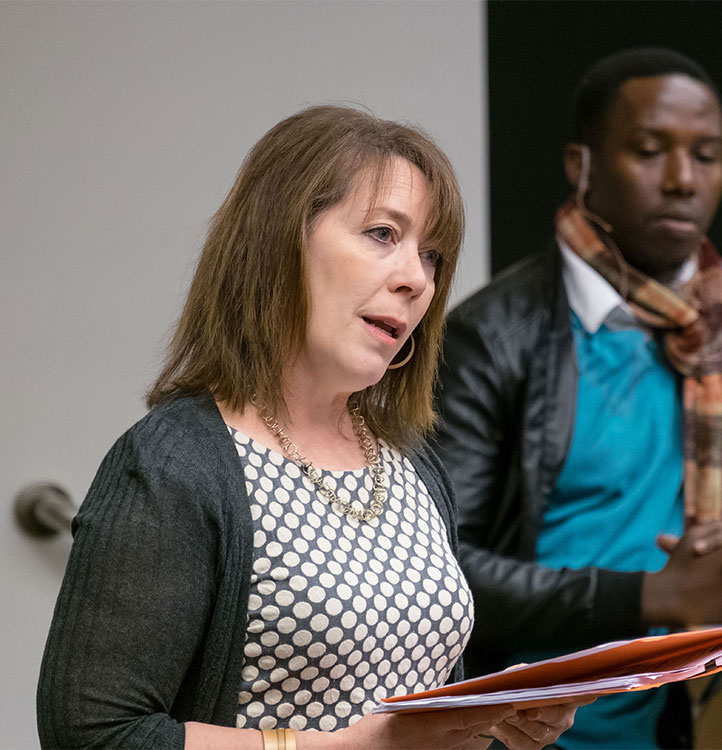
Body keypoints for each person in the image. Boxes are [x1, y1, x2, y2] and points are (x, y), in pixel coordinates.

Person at [37, 105, 584, 750]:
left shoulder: (412, 462)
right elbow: (93, 733)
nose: (417, 278)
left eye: (431, 255)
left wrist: (490, 709)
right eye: (383, 234)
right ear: (281, 240)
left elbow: (399, 703)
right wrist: (350, 748)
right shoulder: (174, 464)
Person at [434, 48, 722, 749]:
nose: (684, 181)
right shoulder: (493, 332)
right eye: (650, 151)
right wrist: (651, 596)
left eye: (707, 155)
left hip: (669, 716)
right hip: (517, 727)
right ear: (581, 165)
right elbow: (443, 569)